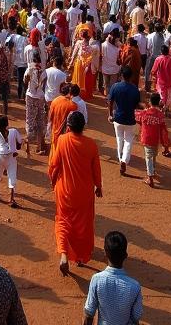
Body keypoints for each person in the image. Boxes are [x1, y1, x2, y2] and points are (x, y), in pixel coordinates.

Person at [49, 111, 102, 276]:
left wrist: (53, 180)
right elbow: (96, 169)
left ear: (68, 127)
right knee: (83, 225)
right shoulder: (91, 145)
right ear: (83, 127)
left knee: (63, 222)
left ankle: (64, 253)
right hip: (85, 192)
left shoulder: (62, 140)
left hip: (64, 191)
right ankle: (80, 257)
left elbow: (54, 165)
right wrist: (98, 186)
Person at [83, 231, 143, 325]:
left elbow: (89, 314)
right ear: (125, 255)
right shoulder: (135, 286)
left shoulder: (97, 280)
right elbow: (136, 317)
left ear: (105, 253)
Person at [107, 66, 141, 176]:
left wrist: (110, 115)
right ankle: (124, 160)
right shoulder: (135, 89)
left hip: (118, 117)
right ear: (131, 76)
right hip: (130, 119)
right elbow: (137, 105)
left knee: (119, 139)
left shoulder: (115, 87)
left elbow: (110, 102)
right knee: (128, 141)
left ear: (121, 75)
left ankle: (120, 157)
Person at [135, 92, 171, 188]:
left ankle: (150, 177)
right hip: (156, 139)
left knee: (149, 157)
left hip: (146, 138)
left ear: (150, 101)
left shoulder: (145, 113)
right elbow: (164, 129)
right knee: (153, 155)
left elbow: (137, 117)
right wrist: (165, 143)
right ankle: (153, 171)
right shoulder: (160, 115)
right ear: (159, 102)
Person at [0, 114, 22, 207]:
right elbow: (19, 144)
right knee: (12, 175)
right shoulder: (14, 131)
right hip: (11, 156)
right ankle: (12, 199)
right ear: (7, 123)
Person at [23, 51, 47, 156]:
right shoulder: (44, 71)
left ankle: (28, 146)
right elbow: (44, 86)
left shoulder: (29, 69)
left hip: (30, 96)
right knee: (40, 120)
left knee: (30, 120)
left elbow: (25, 81)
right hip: (40, 97)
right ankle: (39, 147)